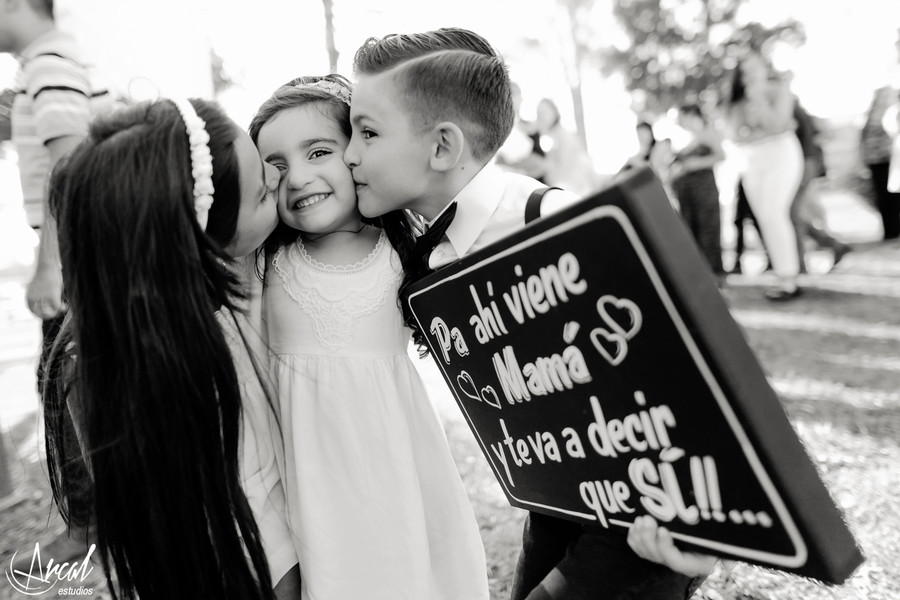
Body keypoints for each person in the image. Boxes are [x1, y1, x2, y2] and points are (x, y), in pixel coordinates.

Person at [343, 27, 716, 600]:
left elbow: (698, 384)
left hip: (639, 534)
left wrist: (710, 534)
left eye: (367, 132)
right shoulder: (416, 250)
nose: (350, 154)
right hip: (553, 506)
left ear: (442, 147)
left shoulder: (565, 225)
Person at [43, 98, 300, 599]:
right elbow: (255, 531)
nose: (278, 176)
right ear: (200, 246)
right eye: (263, 193)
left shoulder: (111, 329)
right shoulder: (193, 363)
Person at [248, 74, 490, 600]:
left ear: (356, 153)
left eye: (318, 151)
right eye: (277, 165)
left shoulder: (407, 254)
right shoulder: (265, 266)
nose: (298, 177)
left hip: (393, 470)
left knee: (400, 571)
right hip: (305, 477)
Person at [1, 0, 119, 565]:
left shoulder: (50, 64)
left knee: (65, 379)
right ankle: (90, 519)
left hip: (78, 255)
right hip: (80, 251)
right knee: (64, 378)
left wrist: (52, 265)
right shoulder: (47, 66)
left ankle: (92, 525)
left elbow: (69, 164)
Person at [725, 51, 804, 300]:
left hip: (781, 155)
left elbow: (777, 126)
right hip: (752, 161)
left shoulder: (779, 91)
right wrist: (759, 132)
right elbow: (735, 135)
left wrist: (759, 100)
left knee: (774, 213)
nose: (749, 75)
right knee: (764, 218)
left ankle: (790, 278)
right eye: (745, 71)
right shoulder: (736, 102)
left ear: (764, 68)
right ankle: (782, 275)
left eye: (754, 69)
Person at [670, 103, 725, 276]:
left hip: (704, 190)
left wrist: (694, 164)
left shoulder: (706, 133)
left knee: (707, 229)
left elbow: (721, 155)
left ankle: (713, 272)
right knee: (691, 230)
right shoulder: (688, 137)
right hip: (687, 192)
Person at [533, 97, 599, 197]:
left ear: (554, 111)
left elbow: (567, 167)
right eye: (540, 114)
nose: (543, 117)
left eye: (545, 112)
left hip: (577, 187)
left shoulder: (562, 135)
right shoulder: (550, 136)